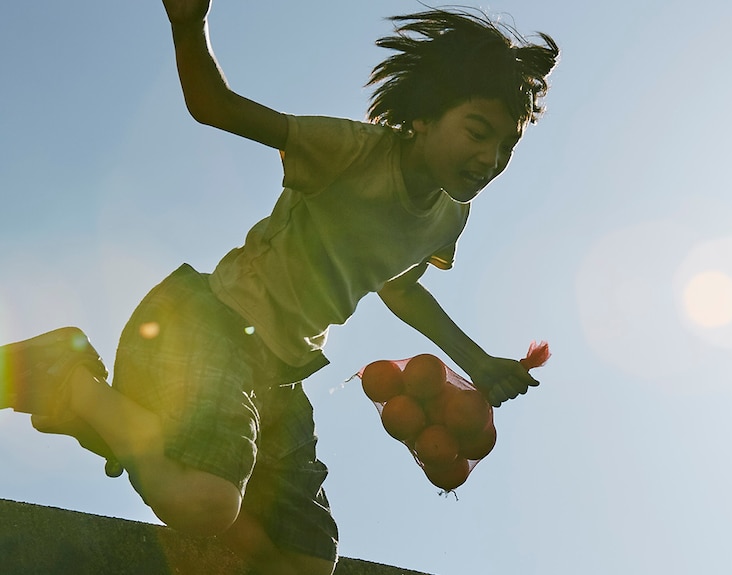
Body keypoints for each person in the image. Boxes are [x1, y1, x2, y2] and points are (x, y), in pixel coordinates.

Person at [0, 2, 558, 574]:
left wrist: (477, 362)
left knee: (307, 562)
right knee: (208, 501)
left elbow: (401, 288)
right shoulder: (352, 151)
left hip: (279, 373)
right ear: (422, 117)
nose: (489, 159)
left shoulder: (448, 218)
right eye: (477, 132)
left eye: (505, 148)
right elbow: (214, 106)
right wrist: (189, 25)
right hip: (208, 322)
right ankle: (69, 384)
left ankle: (88, 408)